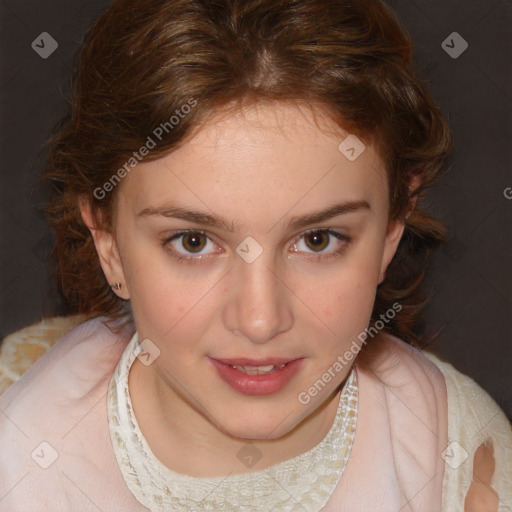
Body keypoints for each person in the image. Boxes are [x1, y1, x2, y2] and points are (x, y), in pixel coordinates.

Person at [0, 0, 510, 510]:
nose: (261, 320)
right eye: (193, 242)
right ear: (108, 244)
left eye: (318, 240)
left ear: (392, 231)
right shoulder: (25, 470)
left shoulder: (459, 456)